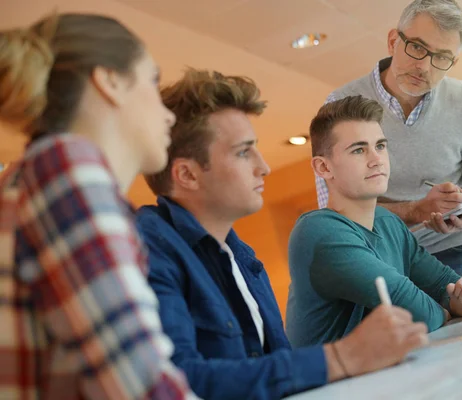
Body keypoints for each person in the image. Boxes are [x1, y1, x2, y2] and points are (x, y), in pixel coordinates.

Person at [136, 69, 429, 400]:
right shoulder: (146, 252)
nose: (264, 166)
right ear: (187, 174)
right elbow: (176, 383)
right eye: (244, 152)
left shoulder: (243, 258)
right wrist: (343, 357)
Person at [0, 14, 197, 399]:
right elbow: (141, 385)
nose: (169, 113)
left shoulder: (35, 177)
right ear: (109, 81)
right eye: (153, 81)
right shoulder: (66, 169)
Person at [314, 0, 462, 289]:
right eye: (417, 47)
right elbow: (334, 208)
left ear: (452, 63)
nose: (424, 67)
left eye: (441, 57)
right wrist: (415, 210)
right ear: (393, 41)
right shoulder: (341, 105)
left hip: (456, 250)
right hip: (381, 256)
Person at [286, 95, 462, 347]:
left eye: (380, 146)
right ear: (323, 168)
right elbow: (418, 314)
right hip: (333, 384)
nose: (376, 159)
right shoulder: (318, 231)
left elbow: (445, 286)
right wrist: (451, 309)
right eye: (359, 150)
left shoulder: (387, 222)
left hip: (385, 374)